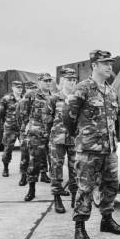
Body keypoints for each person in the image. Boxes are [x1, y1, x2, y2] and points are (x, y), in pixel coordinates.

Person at [66, 50, 120, 239]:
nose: (110, 66)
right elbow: (68, 116)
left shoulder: (111, 90)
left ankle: (107, 220)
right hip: (88, 149)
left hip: (109, 149)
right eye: (105, 63)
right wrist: (83, 137)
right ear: (94, 65)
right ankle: (80, 227)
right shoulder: (83, 88)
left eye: (110, 63)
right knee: (84, 188)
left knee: (110, 185)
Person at [45, 68, 78, 213]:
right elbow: (47, 119)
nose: (71, 82)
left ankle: (75, 197)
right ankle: (57, 198)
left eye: (74, 80)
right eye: (68, 79)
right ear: (62, 81)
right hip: (57, 139)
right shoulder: (54, 98)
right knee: (56, 168)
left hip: (74, 139)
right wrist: (52, 134)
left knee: (75, 169)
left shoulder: (78, 98)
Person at [19, 73, 54, 201]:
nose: (48, 83)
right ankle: (31, 190)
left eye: (50, 80)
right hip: (36, 134)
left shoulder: (54, 96)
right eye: (45, 81)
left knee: (54, 162)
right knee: (34, 162)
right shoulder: (31, 95)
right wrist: (28, 127)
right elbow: (22, 113)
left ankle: (56, 190)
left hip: (50, 134)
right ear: (39, 82)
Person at [0, 81, 23, 177]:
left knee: (25, 149)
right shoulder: (6, 99)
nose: (19, 89)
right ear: (12, 88)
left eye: (21, 87)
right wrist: (5, 124)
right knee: (8, 149)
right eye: (17, 87)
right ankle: (5, 168)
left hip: (22, 128)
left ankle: (23, 169)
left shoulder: (24, 99)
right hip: (10, 128)